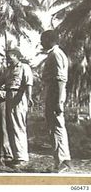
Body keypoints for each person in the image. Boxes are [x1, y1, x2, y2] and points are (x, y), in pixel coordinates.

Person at [41, 30, 71, 173]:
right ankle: (60, 161)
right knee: (54, 128)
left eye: (43, 39)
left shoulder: (56, 54)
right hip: (52, 94)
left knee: (57, 128)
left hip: (55, 96)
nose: (41, 43)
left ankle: (62, 162)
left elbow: (60, 80)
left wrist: (58, 101)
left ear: (49, 39)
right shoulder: (53, 54)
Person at [4, 47, 33, 167]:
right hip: (9, 96)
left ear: (17, 56)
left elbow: (28, 83)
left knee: (19, 126)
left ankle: (22, 158)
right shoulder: (8, 70)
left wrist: (29, 97)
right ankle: (16, 156)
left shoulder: (24, 67)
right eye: (7, 58)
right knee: (11, 127)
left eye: (10, 58)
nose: (8, 60)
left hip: (19, 95)